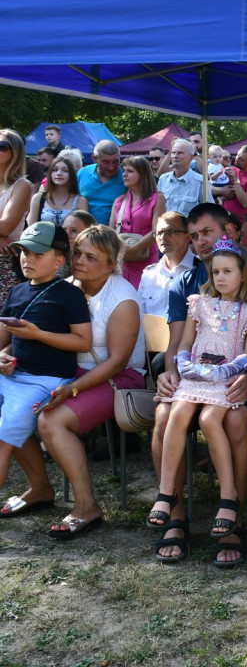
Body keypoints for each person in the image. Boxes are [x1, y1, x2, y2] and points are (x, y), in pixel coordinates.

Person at [151, 203, 247, 566]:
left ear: (231, 230)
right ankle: (174, 515)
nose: (200, 242)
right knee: (164, 415)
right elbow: (178, 342)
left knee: (235, 420)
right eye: (192, 236)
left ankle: (233, 517)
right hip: (193, 375)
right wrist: (170, 371)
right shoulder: (187, 284)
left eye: (207, 232)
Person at [29, 227, 146, 538]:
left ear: (111, 265)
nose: (79, 261)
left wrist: (72, 389)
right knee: (14, 405)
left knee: (52, 421)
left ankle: (86, 506)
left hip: (119, 378)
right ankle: (39, 488)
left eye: (90, 257)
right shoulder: (65, 286)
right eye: (77, 252)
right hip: (69, 370)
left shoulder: (123, 299)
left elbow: (118, 361)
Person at [0, 223, 91, 527]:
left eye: (37, 252)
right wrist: (2, 357)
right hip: (14, 376)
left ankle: (44, 490)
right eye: (24, 251)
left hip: (47, 381)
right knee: (7, 426)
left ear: (58, 260)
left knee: (4, 433)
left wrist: (39, 335)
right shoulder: (16, 290)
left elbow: (83, 342)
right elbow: (4, 339)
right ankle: (40, 489)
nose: (27, 258)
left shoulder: (69, 295)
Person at [111, 156, 165, 289]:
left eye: (129, 171)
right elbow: (110, 232)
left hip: (146, 261)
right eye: (124, 171)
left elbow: (157, 231)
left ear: (142, 174)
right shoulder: (118, 201)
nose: (124, 174)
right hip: (121, 262)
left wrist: (134, 249)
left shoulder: (157, 198)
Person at [0, 130, 36, 310]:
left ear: (15, 153)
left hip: (5, 263)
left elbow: (6, 226)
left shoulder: (21, 185)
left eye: (2, 146)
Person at [139, 211, 195, 318]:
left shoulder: (200, 270)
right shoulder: (149, 274)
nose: (163, 237)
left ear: (187, 237)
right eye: (159, 232)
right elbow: (141, 315)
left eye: (171, 231)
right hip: (153, 334)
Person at [28, 155, 89, 227]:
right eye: (55, 170)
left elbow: (83, 231)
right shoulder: (38, 198)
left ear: (71, 175)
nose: (59, 173)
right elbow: (30, 229)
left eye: (65, 170)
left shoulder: (81, 201)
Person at [157, 139, 205, 217]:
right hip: (165, 228)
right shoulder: (163, 179)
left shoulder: (201, 182)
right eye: (173, 153)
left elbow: (208, 211)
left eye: (180, 153)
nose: (175, 156)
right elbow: (157, 209)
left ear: (191, 157)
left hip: (189, 228)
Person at [217, 145, 247, 221]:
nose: (236, 159)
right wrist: (222, 191)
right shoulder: (230, 170)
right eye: (237, 155)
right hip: (221, 219)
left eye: (241, 159)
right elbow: (208, 186)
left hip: (238, 224)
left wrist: (235, 181)